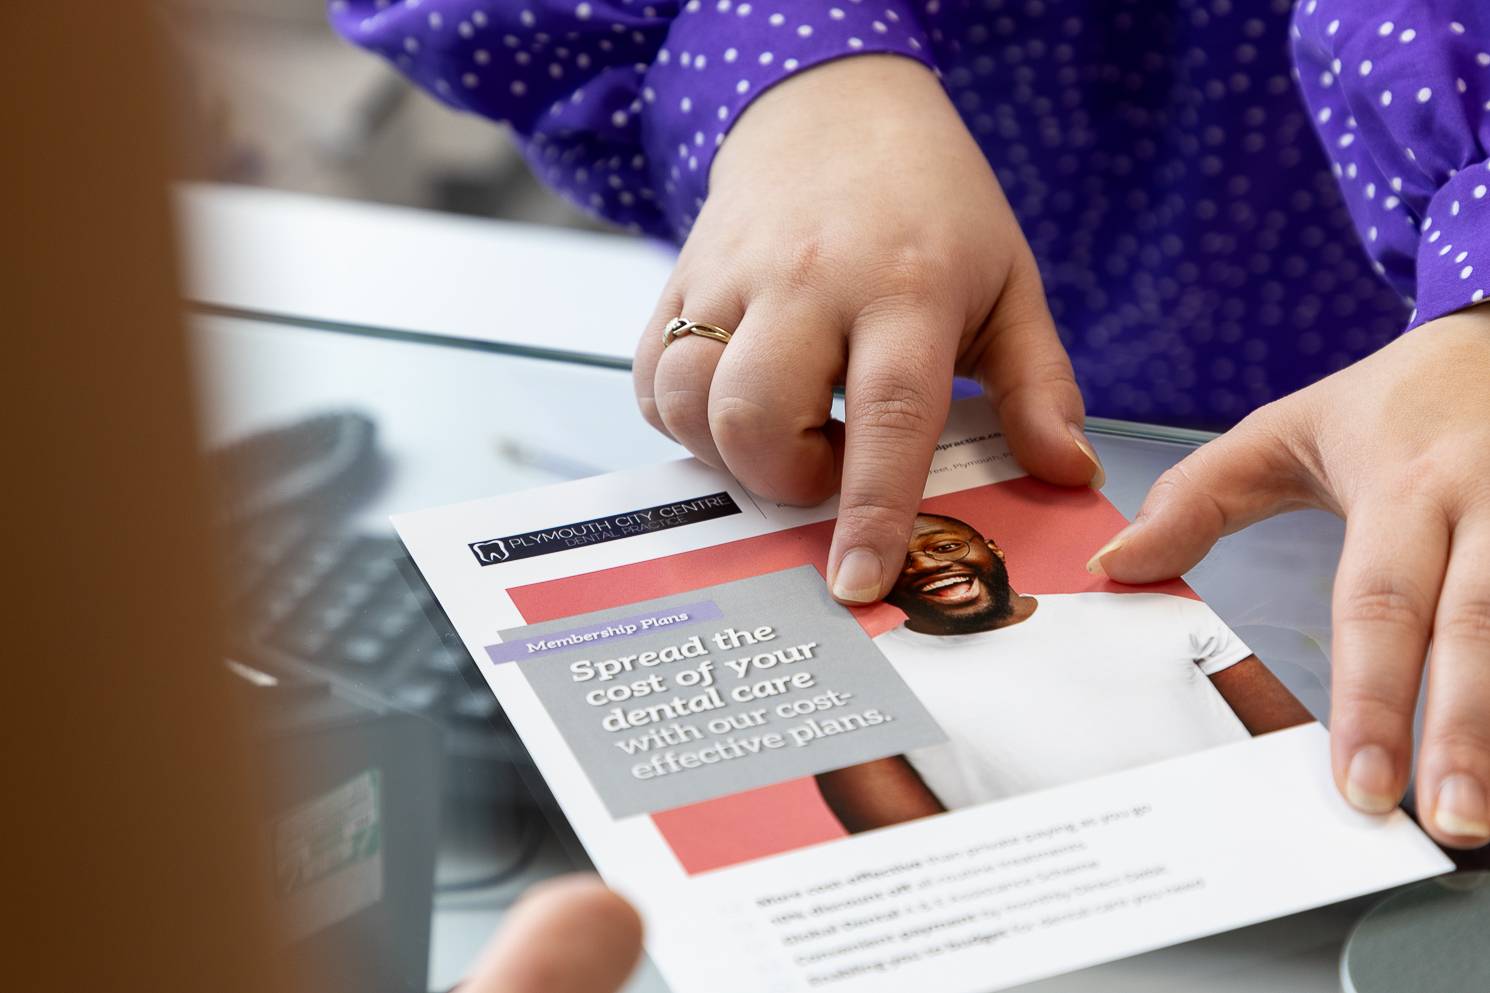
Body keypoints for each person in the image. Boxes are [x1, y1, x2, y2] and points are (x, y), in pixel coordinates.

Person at [330, 2, 1490, 849]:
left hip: (1394, 354)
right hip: (850, 237)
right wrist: (790, 65)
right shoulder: (864, 668)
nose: (935, 555)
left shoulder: (1128, 635)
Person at [813, 514, 1312, 831]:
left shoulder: (1165, 614)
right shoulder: (863, 683)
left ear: (993, 550)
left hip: (1264, 835)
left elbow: (1304, 749)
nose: (923, 565)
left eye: (945, 547)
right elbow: (911, 854)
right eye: (898, 563)